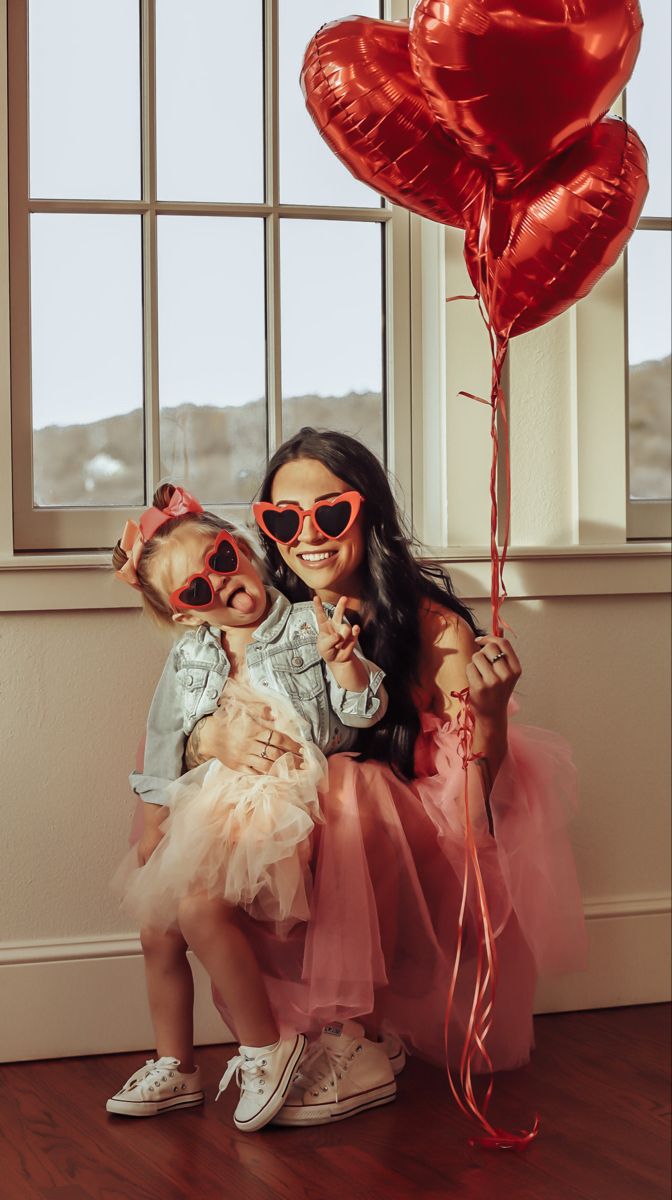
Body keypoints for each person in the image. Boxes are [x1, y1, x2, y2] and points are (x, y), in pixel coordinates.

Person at [187, 428, 587, 1128]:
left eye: (329, 513)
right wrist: (209, 737)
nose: (305, 536)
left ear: (368, 513)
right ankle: (221, 1051)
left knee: (350, 778)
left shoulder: (432, 632)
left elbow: (476, 814)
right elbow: (181, 717)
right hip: (306, 835)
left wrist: (487, 717)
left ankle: (361, 1038)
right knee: (206, 815)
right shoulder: (266, 616)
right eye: (282, 520)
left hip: (423, 856)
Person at [106, 482, 390, 1132]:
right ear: (187, 615)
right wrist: (154, 821)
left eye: (223, 559)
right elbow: (164, 740)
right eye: (198, 590)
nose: (223, 585)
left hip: (284, 798)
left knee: (200, 909)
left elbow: (358, 716)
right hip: (206, 804)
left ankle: (266, 1046)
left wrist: (344, 665)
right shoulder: (188, 658)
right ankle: (175, 1065)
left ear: (241, 546)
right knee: (157, 931)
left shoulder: (304, 623)